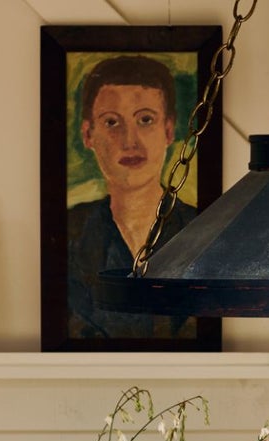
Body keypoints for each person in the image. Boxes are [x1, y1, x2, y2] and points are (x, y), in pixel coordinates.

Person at [67, 54, 198, 341]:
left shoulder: (201, 230)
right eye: (112, 122)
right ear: (88, 134)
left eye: (145, 120)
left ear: (168, 130)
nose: (130, 141)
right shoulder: (69, 233)